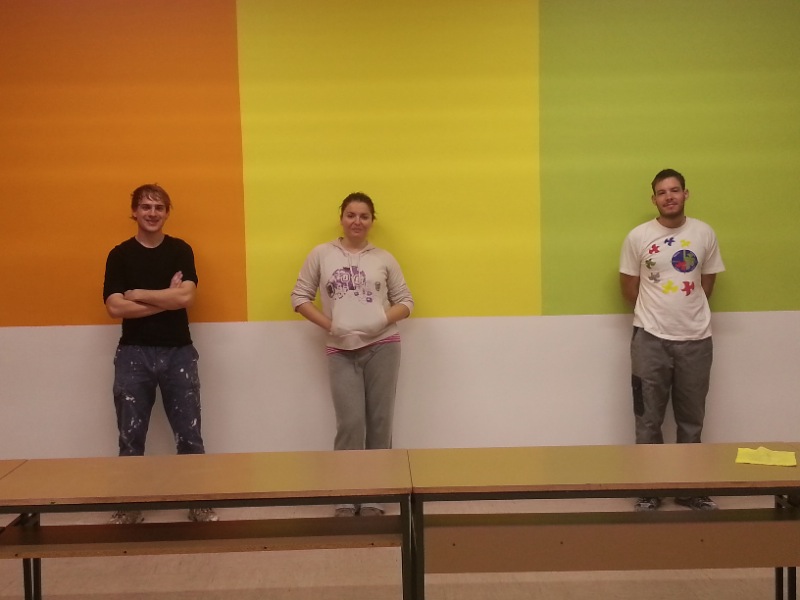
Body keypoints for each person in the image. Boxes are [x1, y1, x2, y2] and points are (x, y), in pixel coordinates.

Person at [291, 192, 414, 517]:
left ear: (372, 221)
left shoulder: (384, 258)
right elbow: (300, 297)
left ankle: (375, 496)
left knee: (380, 422)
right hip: (341, 350)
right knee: (350, 423)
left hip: (383, 347)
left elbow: (406, 301)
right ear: (342, 218)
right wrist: (331, 325)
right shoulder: (322, 254)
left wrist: (380, 320)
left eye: (363, 216)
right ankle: (346, 494)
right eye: (351, 215)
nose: (357, 221)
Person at [103, 183, 217, 524]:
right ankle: (129, 505)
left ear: (167, 213)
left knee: (190, 435)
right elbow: (114, 307)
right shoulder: (119, 255)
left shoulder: (180, 250)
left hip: (179, 354)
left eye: (158, 207)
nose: (152, 213)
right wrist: (165, 298)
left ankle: (198, 502)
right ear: (134, 212)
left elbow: (186, 298)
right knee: (130, 437)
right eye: (145, 207)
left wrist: (138, 293)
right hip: (133, 355)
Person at [619, 169, 725, 512]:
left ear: (685, 194)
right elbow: (629, 288)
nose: (669, 197)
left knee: (691, 421)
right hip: (649, 340)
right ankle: (650, 489)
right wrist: (656, 314)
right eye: (662, 192)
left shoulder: (704, 233)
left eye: (675, 190)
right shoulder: (638, 236)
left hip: (697, 340)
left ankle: (688, 489)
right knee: (648, 420)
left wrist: (686, 312)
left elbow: (707, 282)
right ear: (654, 199)